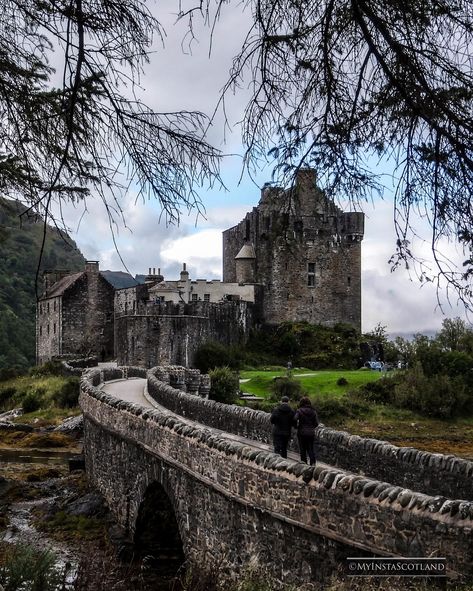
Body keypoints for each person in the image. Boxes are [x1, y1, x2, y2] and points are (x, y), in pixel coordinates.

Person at [294, 397, 319, 465]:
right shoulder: (313, 411)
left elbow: (295, 419)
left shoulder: (299, 411)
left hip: (301, 432)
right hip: (311, 433)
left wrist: (297, 427)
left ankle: (304, 463)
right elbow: (316, 423)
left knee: (302, 448)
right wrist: (311, 427)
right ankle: (313, 463)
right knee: (311, 448)